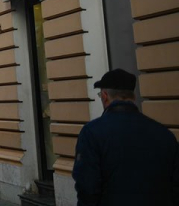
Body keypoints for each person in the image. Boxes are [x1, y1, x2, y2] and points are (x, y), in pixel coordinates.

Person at [73, 68, 179, 205]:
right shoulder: (164, 134)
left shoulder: (91, 133)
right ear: (133, 97)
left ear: (105, 96)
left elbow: (87, 187)